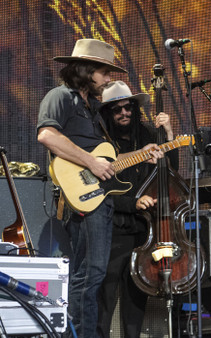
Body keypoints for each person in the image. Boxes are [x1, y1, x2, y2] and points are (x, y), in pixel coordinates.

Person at [37, 39, 163, 337]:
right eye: (105, 72)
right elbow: (47, 135)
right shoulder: (61, 96)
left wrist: (144, 152)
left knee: (92, 275)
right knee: (89, 276)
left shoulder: (92, 110)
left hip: (99, 199)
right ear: (85, 70)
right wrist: (91, 164)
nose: (109, 79)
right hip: (83, 199)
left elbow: (106, 160)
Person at [95, 81, 179, 337]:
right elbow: (99, 192)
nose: (124, 113)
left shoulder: (147, 135)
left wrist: (169, 133)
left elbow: (171, 170)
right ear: (108, 113)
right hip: (111, 228)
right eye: (118, 109)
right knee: (104, 300)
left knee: (135, 300)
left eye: (128, 107)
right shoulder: (101, 143)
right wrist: (131, 202)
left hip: (143, 231)